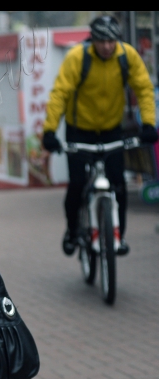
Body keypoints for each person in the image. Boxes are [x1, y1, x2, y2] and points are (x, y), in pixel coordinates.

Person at [43, 16, 158, 257]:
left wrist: (148, 123)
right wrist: (50, 131)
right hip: (79, 129)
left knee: (118, 184)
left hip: (110, 130)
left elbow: (144, 89)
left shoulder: (127, 56)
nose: (107, 46)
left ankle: (119, 236)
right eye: (102, 41)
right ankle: (73, 231)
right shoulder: (78, 57)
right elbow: (60, 94)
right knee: (76, 184)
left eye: (111, 41)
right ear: (92, 39)